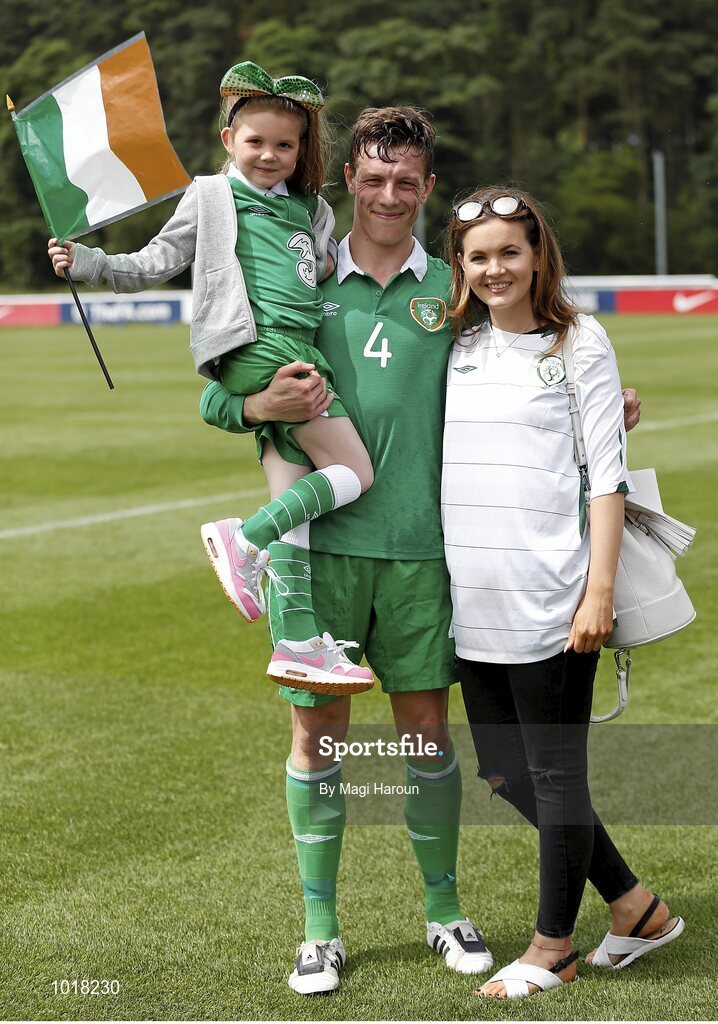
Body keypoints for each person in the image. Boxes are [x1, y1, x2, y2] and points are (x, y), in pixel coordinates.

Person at [200, 109, 643, 996]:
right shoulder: (296, 276)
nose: (389, 194)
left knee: (429, 736)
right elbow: (218, 396)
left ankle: (444, 911)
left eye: (407, 180)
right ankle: (320, 930)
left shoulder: (456, 294)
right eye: (373, 179)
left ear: (427, 187)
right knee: (317, 735)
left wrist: (602, 408)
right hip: (316, 553)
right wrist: (255, 411)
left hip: (426, 559)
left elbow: (534, 365)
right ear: (347, 184)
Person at [47, 61, 375, 697]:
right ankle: (242, 538)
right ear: (229, 140)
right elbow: (159, 260)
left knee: (297, 507)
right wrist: (87, 261)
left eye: (285, 143)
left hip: (297, 344)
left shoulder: (312, 209)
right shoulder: (212, 194)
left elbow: (322, 273)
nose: (270, 154)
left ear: (302, 147)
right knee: (355, 473)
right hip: (266, 349)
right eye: (255, 141)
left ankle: (299, 643)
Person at [443, 187, 684, 1000]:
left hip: (552, 595)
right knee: (506, 776)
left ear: (539, 254)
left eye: (510, 252)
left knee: (554, 776)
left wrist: (598, 592)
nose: (495, 268)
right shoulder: (457, 344)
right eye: (479, 256)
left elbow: (605, 479)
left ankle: (553, 946)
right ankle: (635, 907)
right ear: (461, 266)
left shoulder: (579, 341)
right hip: (470, 598)